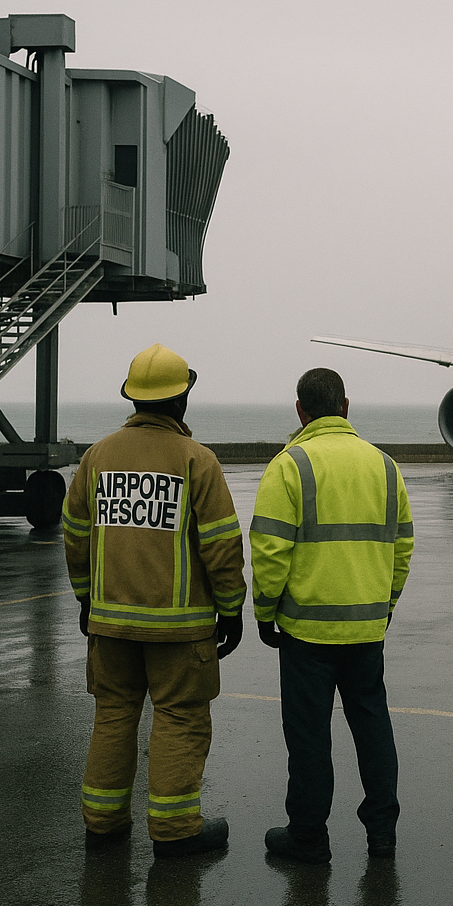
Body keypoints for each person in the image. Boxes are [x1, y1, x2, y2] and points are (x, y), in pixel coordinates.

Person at [62, 344, 247, 857]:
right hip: (179, 631)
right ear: (182, 398)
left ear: (133, 397)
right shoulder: (197, 461)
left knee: (114, 715)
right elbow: (221, 545)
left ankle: (102, 822)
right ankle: (174, 831)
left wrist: (86, 597)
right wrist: (231, 608)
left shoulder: (97, 457)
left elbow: (75, 534)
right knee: (179, 719)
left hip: (109, 625)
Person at [250, 368, 415, 864]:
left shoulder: (289, 465)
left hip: (306, 633)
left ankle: (308, 837)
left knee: (308, 737)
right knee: (372, 727)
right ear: (347, 405)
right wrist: (384, 605)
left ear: (300, 411)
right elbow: (403, 546)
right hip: (366, 629)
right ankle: (381, 835)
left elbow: (269, 552)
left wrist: (264, 614)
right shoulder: (384, 466)